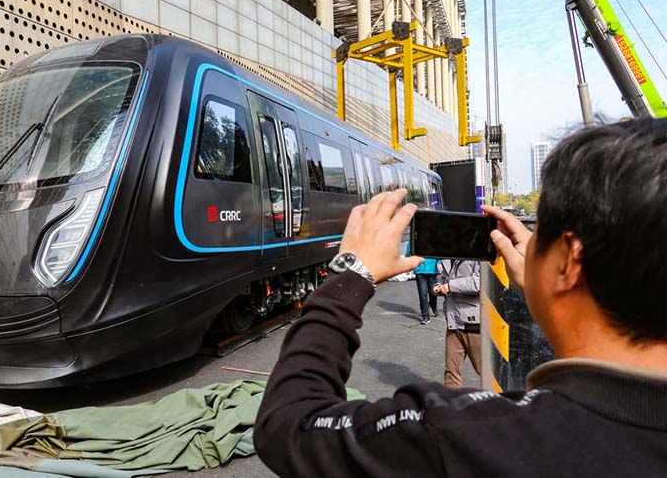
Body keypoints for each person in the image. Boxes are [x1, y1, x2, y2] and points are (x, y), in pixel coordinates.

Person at [255, 119, 667, 477]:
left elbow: (290, 423)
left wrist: (350, 274)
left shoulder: (467, 436)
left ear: (568, 262)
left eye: (539, 227)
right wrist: (548, 284)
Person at [433, 259, 481, 387]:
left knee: (486, 371)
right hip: (453, 322)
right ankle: (450, 406)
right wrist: (440, 286)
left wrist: (450, 286)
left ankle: (501, 404)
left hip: (474, 323)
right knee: (451, 373)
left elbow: (480, 282)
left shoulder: (480, 251)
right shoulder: (449, 254)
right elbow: (445, 278)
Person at [405, 247, 442, 323]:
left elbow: (439, 250)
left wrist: (439, 262)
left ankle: (433, 305)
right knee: (423, 294)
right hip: (420, 270)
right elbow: (409, 253)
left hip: (432, 269)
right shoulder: (414, 237)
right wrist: (408, 266)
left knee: (433, 293)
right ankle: (425, 317)